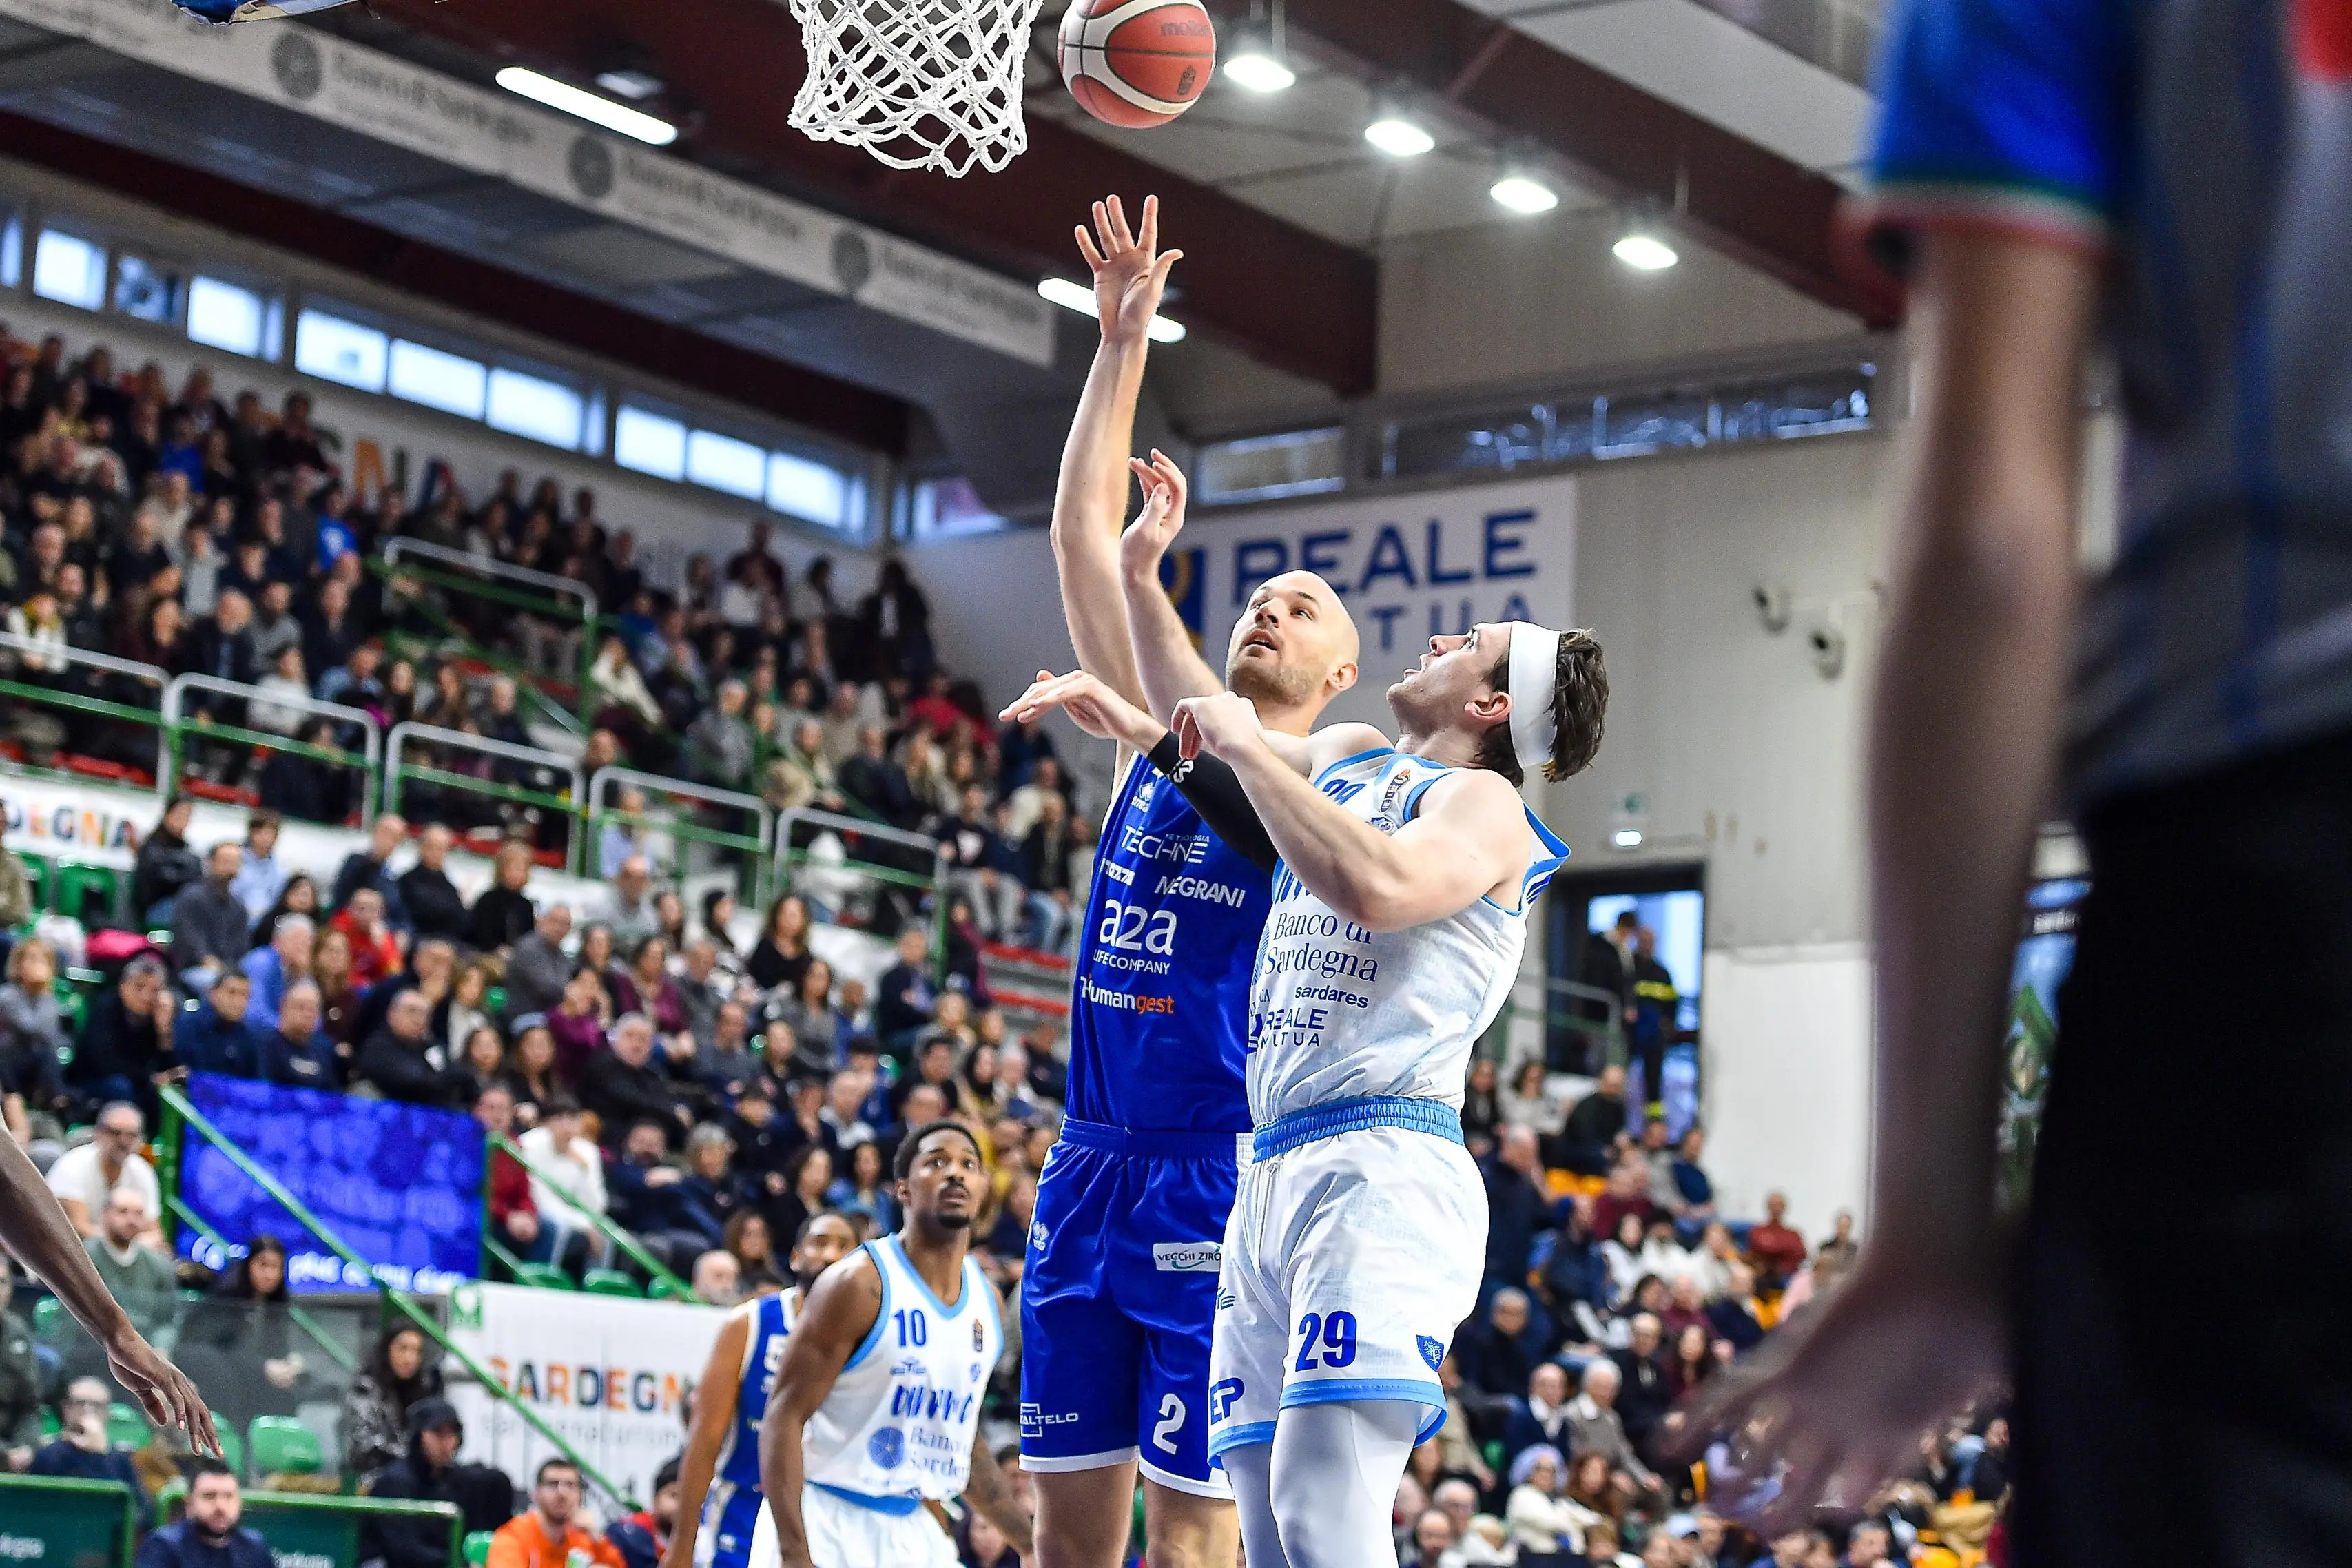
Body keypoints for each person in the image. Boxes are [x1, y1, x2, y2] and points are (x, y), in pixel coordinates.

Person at [1082, 574, 1603, 1564]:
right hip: (1272, 1167)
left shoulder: (1479, 801)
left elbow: (1376, 883)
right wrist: (1142, 585)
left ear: (1489, 704)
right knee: (1270, 1527)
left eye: (1468, 642)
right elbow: (1201, 714)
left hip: (1382, 1164)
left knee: (1325, 1510)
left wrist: (1229, 740)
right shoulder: (1349, 755)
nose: (1442, 635)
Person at [999, 194, 1369, 1568]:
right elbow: (1079, 549)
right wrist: (1120, 344)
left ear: (1339, 668)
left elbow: (1245, 791)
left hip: (1211, 1178)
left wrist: (1155, 715)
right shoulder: (1152, 752)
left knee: (1197, 1538)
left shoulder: (1330, 767)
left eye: (1305, 603)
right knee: (1066, 1536)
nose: (1271, 603)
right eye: (1259, 592)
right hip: (1086, 1163)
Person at [756, 1123, 1032, 1568]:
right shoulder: (857, 1284)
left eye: (968, 1165)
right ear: (903, 1188)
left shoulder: (988, 1302)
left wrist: (1029, 1543)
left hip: (910, 1523)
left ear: (984, 1188)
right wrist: (793, 1553)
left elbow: (962, 1444)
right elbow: (782, 1418)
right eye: (937, 1162)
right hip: (825, 1516)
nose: (955, 1174)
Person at [362, 1399, 515, 1562]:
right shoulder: (394, 1482)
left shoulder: (455, 1480)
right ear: (418, 1436)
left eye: (453, 1433)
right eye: (438, 1433)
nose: (447, 1442)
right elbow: (402, 1549)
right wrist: (458, 1563)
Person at [32, 1376, 154, 1529]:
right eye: (80, 1403)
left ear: (108, 1413)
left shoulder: (120, 1459)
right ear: (66, 1409)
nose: (88, 1410)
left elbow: (141, 1514)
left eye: (97, 1405)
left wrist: (100, 1454)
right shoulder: (48, 1455)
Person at [45, 1100, 163, 1246]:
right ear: (99, 1133)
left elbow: (154, 1232)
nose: (123, 1141)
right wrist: (126, 1243)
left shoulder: (142, 1170)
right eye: (116, 1133)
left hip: (119, 1252)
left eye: (131, 1135)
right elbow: (78, 1228)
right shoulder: (73, 1165)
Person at [344, 1322, 444, 1481]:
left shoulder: (421, 1394)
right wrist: (412, 1458)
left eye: (416, 1351)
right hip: (372, 1479)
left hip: (413, 1479)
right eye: (403, 1348)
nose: (410, 1358)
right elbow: (365, 1443)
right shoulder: (364, 1390)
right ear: (387, 1350)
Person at [485, 1458, 624, 1568]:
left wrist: (596, 1535)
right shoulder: (513, 1537)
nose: (562, 1493)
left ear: (580, 1495)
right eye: (553, 1484)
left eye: (570, 1485)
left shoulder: (584, 1538)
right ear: (536, 1493)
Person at [134, 1458, 273, 1568]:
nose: (220, 1506)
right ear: (189, 1505)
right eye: (209, 1496)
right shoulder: (163, 1546)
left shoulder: (253, 1547)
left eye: (229, 1496)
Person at [398, 823, 469, 945]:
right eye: (431, 847)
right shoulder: (407, 880)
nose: (435, 853)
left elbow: (461, 920)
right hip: (420, 940)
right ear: (421, 847)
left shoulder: (449, 887)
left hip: (449, 943)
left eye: (440, 848)